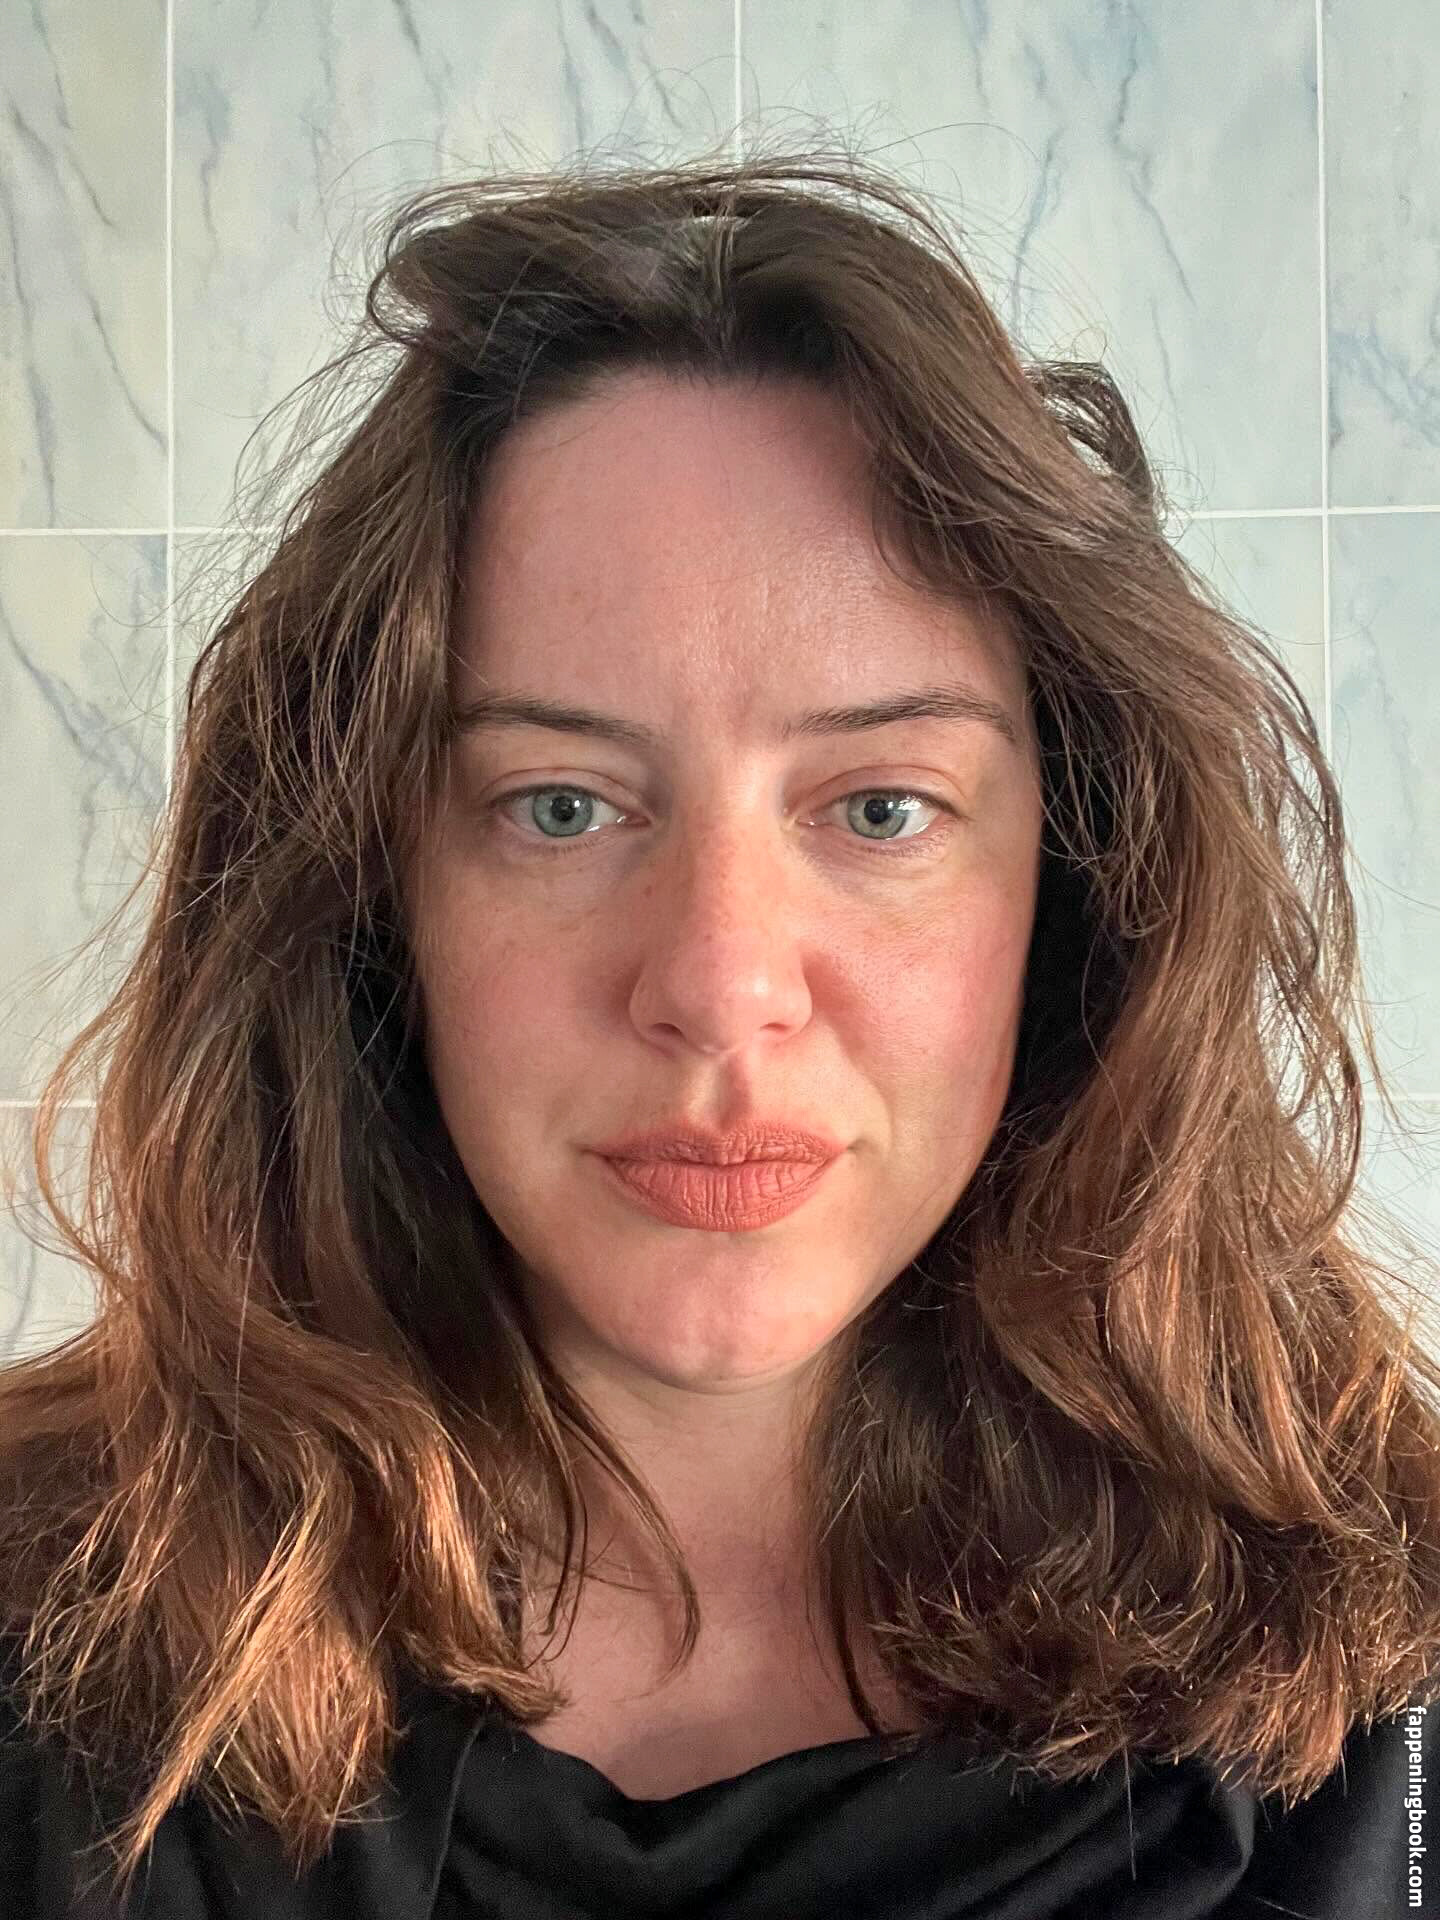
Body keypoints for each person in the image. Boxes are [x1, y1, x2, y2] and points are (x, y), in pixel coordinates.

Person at [1, 143, 1438, 1919]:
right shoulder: (41, 1642)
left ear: (1073, 889)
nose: (719, 976)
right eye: (561, 806)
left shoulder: (1385, 1663)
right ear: (372, 895)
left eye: (882, 808)